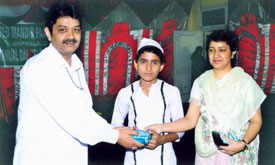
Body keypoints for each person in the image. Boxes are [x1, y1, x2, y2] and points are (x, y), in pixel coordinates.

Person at [13, 2, 143, 165]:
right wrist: (115, 136)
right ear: (48, 33)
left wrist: (115, 130)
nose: (71, 36)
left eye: (76, 29)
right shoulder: (40, 68)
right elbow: (74, 119)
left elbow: (85, 113)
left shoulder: (76, 64)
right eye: (62, 30)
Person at [145, 30, 266, 164]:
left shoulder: (245, 82)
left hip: (238, 153)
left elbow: (256, 121)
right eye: (211, 50)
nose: (216, 55)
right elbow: (190, 120)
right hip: (208, 152)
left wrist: (242, 143)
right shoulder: (201, 82)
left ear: (233, 53)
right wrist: (161, 127)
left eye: (222, 50)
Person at [111, 38, 184, 165]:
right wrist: (128, 133)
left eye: (154, 62)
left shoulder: (171, 91)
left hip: (165, 158)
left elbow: (181, 128)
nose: (148, 68)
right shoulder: (125, 93)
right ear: (135, 64)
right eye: (143, 62)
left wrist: (161, 139)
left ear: (161, 66)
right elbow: (115, 126)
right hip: (133, 159)